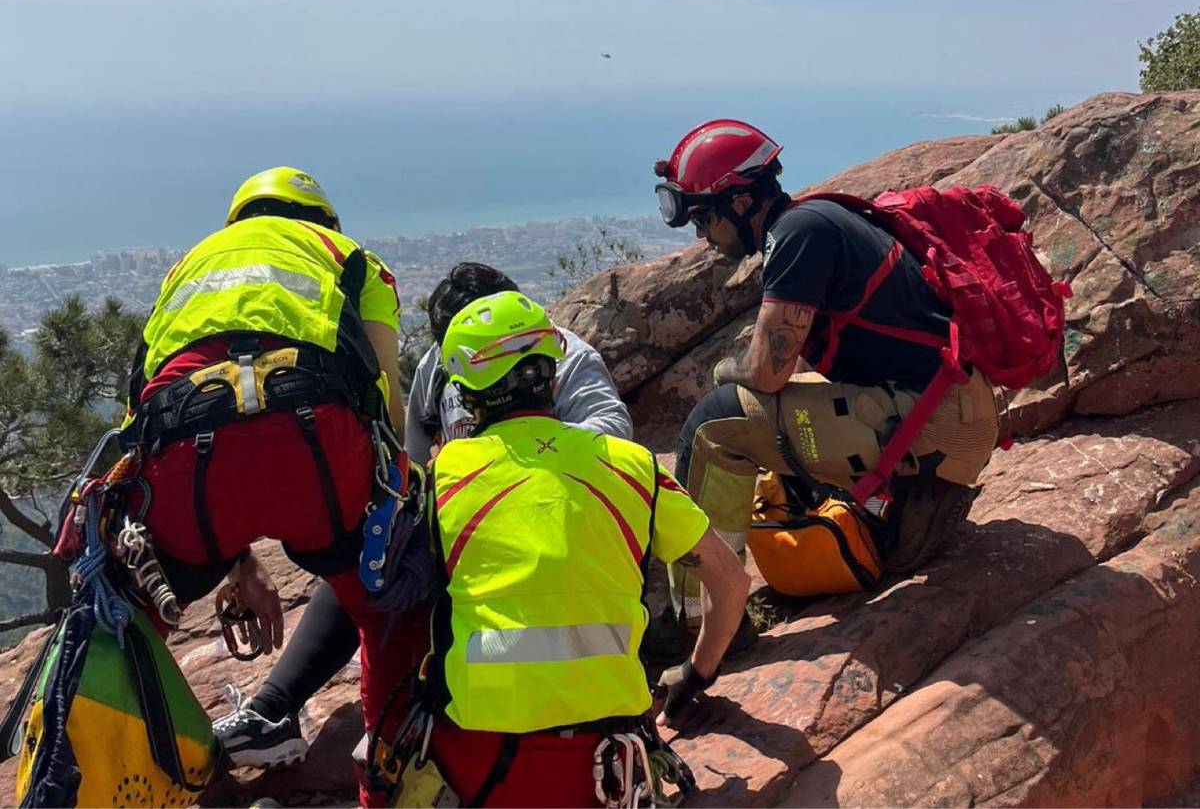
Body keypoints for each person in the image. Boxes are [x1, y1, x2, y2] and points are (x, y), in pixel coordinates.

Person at [217, 262, 632, 769]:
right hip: (472, 518)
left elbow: (612, 433)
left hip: (554, 518)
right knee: (372, 557)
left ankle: (421, 716)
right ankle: (272, 710)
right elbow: (409, 459)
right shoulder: (441, 364)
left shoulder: (558, 356)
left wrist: (512, 462)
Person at [119, 167, 421, 806]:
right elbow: (386, 396)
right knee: (383, 600)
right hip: (316, 443)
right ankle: (391, 778)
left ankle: (149, 769)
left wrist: (236, 562)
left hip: (184, 452)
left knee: (127, 617)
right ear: (323, 221)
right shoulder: (350, 258)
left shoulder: (187, 267)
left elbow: (137, 408)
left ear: (239, 220)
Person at [653, 119, 999, 631]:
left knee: (715, 421)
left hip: (935, 424)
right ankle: (865, 515)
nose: (702, 236)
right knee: (773, 407)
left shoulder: (798, 236)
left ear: (742, 203)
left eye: (704, 219)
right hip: (949, 407)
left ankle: (697, 621)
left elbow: (766, 373)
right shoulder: (815, 219)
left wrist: (726, 370)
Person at [406, 290, 748, 807]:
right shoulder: (633, 467)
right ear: (552, 372)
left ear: (468, 396)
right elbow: (732, 582)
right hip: (604, 766)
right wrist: (695, 675)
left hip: (479, 765)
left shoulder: (440, 480)